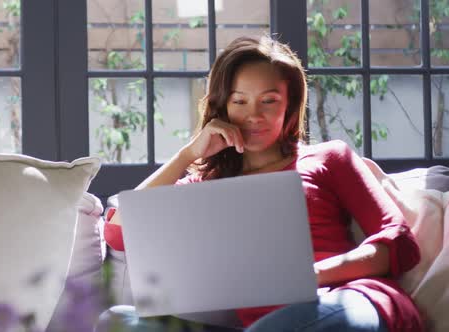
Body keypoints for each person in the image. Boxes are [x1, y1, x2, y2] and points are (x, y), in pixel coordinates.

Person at [95, 35, 424, 332]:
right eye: (239, 102)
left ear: (289, 106)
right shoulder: (207, 184)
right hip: (265, 325)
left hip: (347, 301)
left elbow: (400, 244)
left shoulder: (329, 158)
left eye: (269, 101)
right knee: (117, 322)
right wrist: (185, 155)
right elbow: (120, 232)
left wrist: (309, 276)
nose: (254, 115)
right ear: (222, 106)